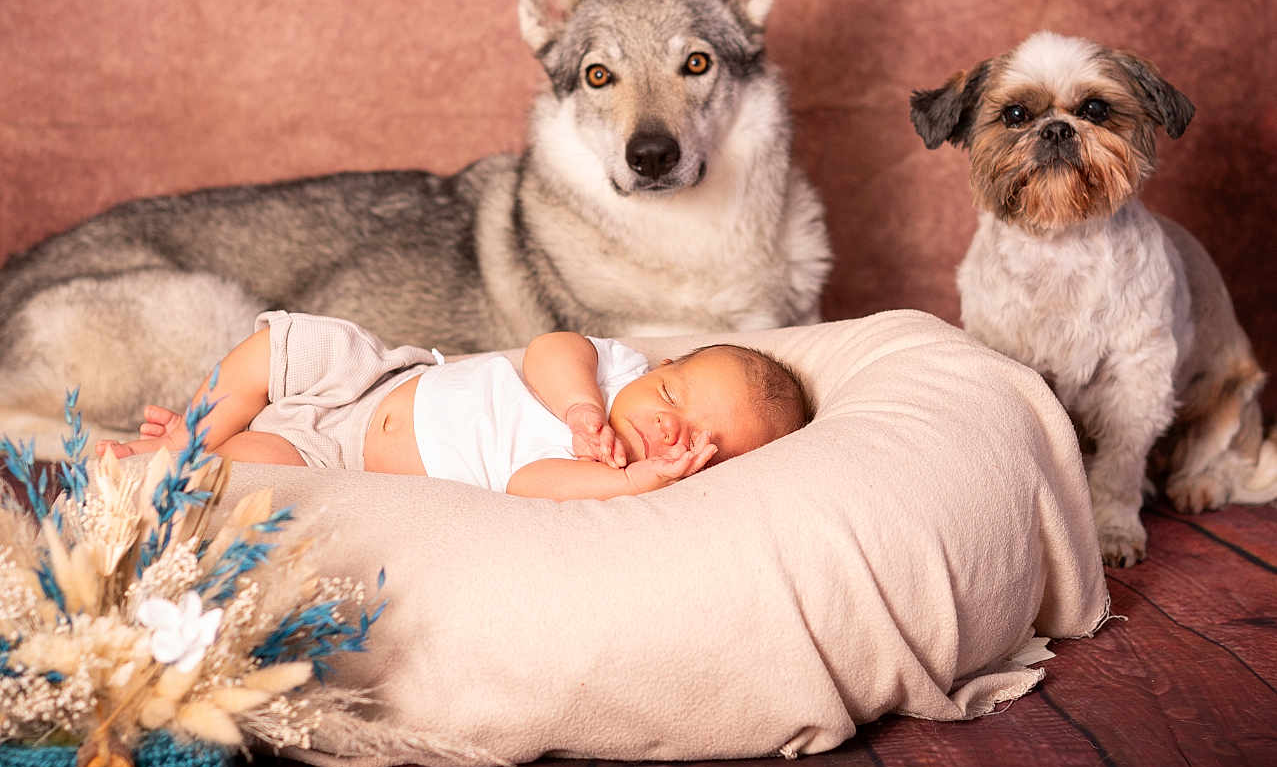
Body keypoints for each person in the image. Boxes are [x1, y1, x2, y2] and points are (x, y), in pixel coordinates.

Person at [97, 311, 811, 500]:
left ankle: (170, 459)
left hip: (333, 457)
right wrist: (577, 407)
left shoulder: (606, 478)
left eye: (692, 440)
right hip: (372, 379)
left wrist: (630, 480)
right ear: (658, 368)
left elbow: (532, 483)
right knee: (282, 347)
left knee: (249, 475)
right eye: (670, 394)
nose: (664, 423)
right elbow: (549, 346)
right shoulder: (613, 373)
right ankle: (193, 426)